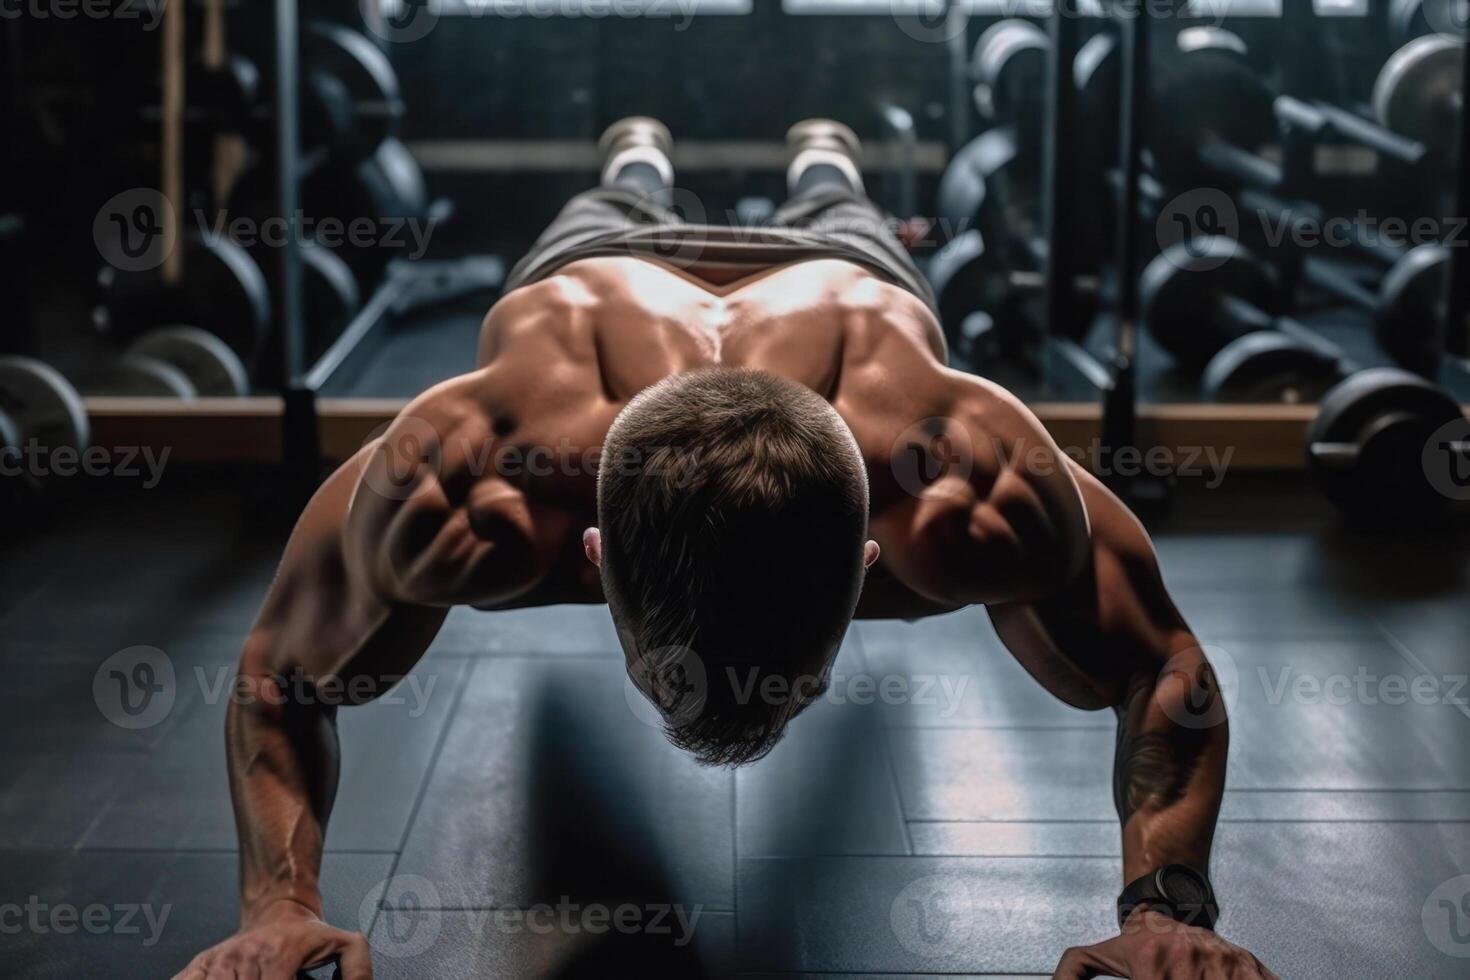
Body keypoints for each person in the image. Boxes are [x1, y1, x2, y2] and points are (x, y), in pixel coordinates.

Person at [175, 119, 1276, 980]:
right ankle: (640, 157)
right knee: (617, 194)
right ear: (595, 555)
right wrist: (274, 910)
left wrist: (1164, 915)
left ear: (866, 563)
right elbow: (279, 669)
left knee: (838, 200)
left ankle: (821, 160)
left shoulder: (969, 489)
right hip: (605, 263)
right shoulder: (470, 483)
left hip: (840, 270)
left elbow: (1162, 662)